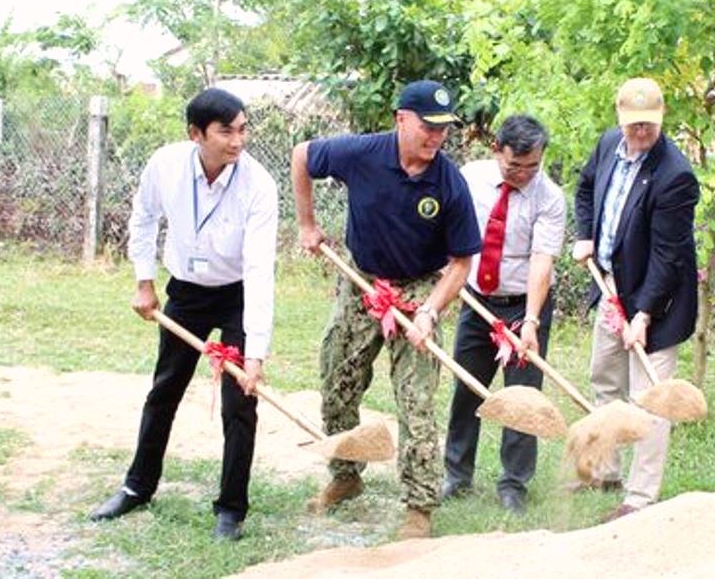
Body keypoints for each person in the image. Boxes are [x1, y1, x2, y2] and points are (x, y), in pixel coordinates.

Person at [291, 79, 481, 539]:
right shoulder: (362, 153)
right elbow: (301, 155)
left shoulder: (448, 182)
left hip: (418, 288)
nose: (436, 137)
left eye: (443, 129)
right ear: (401, 119)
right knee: (338, 379)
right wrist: (307, 224)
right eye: (428, 127)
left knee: (416, 400)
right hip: (362, 280)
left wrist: (430, 311)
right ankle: (345, 475)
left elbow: (461, 263)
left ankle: (420, 506)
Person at [88, 88, 279, 541]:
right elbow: (144, 218)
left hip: (236, 294)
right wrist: (143, 282)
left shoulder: (259, 185)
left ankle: (231, 509)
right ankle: (137, 486)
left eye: (243, 129)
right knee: (164, 390)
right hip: (187, 294)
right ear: (197, 133)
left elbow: (258, 271)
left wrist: (255, 353)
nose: (238, 141)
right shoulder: (165, 165)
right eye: (226, 131)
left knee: (240, 404)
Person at [572, 77, 700, 521]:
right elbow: (586, 188)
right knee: (605, 378)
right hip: (611, 286)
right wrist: (585, 235)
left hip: (658, 302)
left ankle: (640, 497)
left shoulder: (675, 175)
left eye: (649, 125)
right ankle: (606, 469)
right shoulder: (609, 144)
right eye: (633, 126)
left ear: (661, 119)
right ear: (619, 119)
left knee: (649, 399)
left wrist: (643, 314)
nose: (641, 134)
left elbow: (668, 256)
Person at [441, 115, 566, 514]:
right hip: (477, 301)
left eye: (533, 166)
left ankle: (514, 484)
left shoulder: (549, 197)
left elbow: (541, 261)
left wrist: (529, 320)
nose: (525, 175)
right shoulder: (469, 178)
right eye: (515, 166)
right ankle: (456, 475)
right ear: (497, 150)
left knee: (523, 397)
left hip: (523, 304)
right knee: (468, 388)